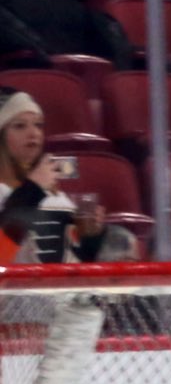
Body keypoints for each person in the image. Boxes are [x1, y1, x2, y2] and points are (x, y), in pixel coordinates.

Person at [0, 87, 105, 263]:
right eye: (19, 126)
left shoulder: (54, 193)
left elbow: (77, 262)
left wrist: (91, 236)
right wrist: (32, 189)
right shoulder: (32, 188)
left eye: (38, 125)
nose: (33, 133)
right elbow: (2, 253)